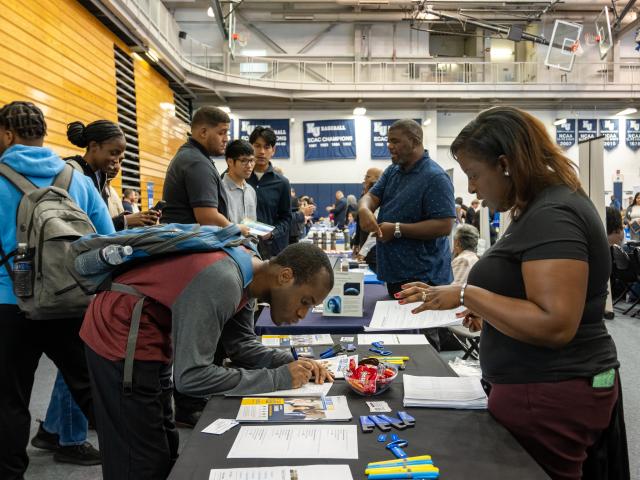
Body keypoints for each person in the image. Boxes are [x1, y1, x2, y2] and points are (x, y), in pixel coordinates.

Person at [398, 106, 626, 480]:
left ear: (505, 164)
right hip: (541, 387)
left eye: (474, 175)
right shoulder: (540, 208)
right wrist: (494, 311)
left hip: (552, 390)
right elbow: (531, 293)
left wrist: (468, 295)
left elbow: (555, 324)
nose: (471, 188)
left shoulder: (553, 214)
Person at [80, 242, 335, 480]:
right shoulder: (223, 280)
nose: (303, 314)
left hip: (154, 333)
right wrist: (279, 377)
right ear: (285, 276)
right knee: (138, 458)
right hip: (120, 333)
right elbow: (191, 377)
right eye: (305, 302)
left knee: (165, 444)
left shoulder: (251, 273)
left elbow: (241, 344)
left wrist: (291, 363)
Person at [0, 101, 114, 479]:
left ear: (6, 133)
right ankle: (132, 459)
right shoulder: (75, 179)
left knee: (10, 399)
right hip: (70, 301)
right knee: (91, 388)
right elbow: (107, 242)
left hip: (8, 303)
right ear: (43, 134)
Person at [358, 119, 455, 297]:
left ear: (415, 141)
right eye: (388, 141)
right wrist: (364, 209)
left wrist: (397, 229)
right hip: (396, 275)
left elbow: (444, 225)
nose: (389, 146)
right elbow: (371, 196)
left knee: (418, 325)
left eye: (395, 141)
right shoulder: (392, 171)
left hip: (423, 279)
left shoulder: (435, 177)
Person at [162, 106, 249, 235]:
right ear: (203, 133)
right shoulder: (197, 162)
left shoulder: (193, 156)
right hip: (190, 247)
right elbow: (208, 217)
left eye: (227, 133)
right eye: (221, 133)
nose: (226, 139)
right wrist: (236, 229)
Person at [65, 120, 159, 230]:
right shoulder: (72, 174)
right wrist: (125, 221)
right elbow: (78, 228)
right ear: (94, 146)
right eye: (113, 154)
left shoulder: (100, 178)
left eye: (120, 159)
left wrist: (130, 220)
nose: (117, 165)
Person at [247, 126, 292, 258]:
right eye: (257, 146)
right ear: (250, 147)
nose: (261, 152)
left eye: (266, 147)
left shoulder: (282, 183)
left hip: (271, 251)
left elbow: (286, 218)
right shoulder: (238, 177)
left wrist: (272, 233)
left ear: (273, 150)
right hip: (242, 248)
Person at [221, 139, 257, 224]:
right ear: (230, 161)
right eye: (244, 161)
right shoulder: (220, 190)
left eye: (251, 160)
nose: (249, 166)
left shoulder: (251, 191)